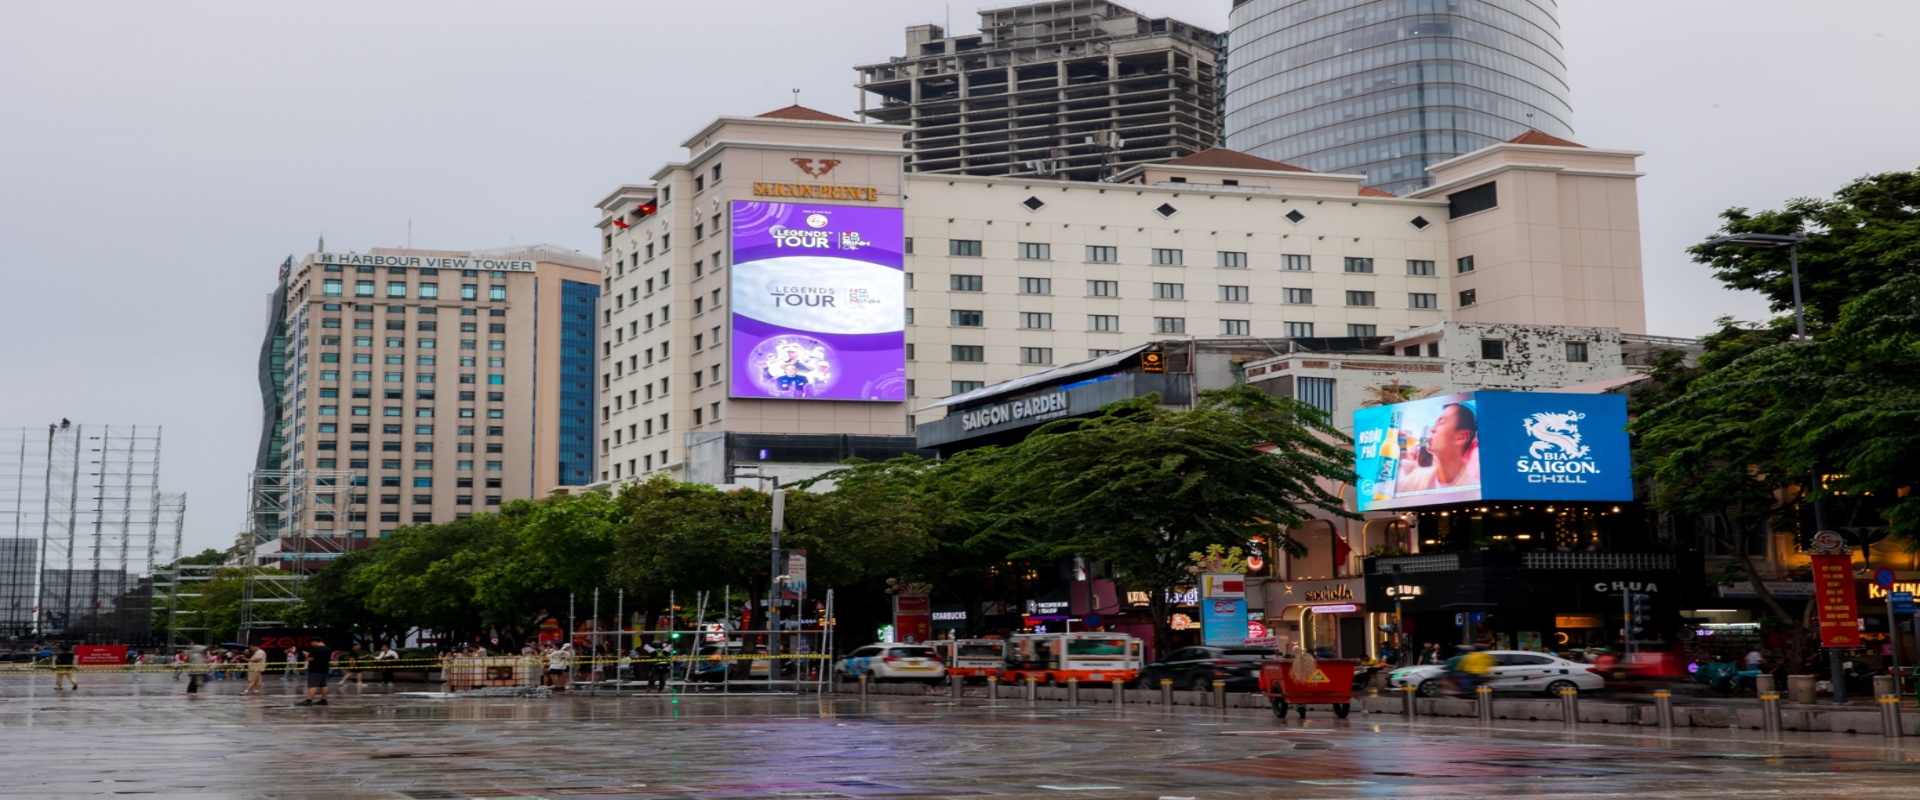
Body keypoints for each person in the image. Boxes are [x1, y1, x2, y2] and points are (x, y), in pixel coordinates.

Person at [1395, 403, 1480, 494]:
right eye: (1435, 424)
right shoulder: (1418, 477)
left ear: (1461, 437)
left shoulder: (1474, 491)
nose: (1432, 429)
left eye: (1441, 423)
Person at [297, 638, 334, 706]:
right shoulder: (328, 648)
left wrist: (306, 655)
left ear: (314, 642)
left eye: (311, 643)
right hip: (325, 668)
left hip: (315, 669)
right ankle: (324, 700)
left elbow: (310, 658)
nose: (312, 645)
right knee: (324, 685)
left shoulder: (316, 649)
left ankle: (309, 700)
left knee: (313, 685)